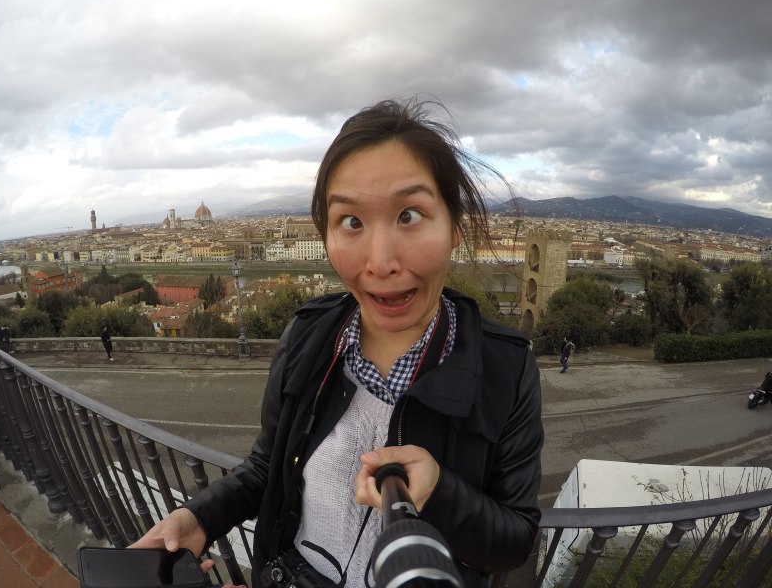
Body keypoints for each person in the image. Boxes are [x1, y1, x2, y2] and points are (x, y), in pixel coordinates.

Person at [132, 97, 544, 587]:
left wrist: (439, 493)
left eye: (409, 215)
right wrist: (199, 518)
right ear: (327, 235)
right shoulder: (307, 337)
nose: (381, 262)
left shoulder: (506, 368)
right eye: (351, 222)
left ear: (454, 227)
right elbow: (268, 465)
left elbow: (514, 542)